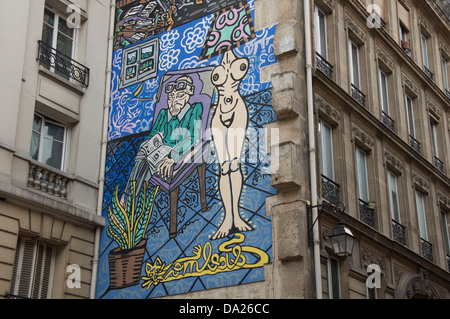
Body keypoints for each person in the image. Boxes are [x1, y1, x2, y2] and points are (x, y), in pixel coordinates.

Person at [121, 75, 203, 204]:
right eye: (171, 97)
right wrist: (147, 145)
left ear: (189, 94)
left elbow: (194, 136)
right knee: (141, 158)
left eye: (180, 96)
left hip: (174, 151)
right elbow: (153, 133)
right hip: (158, 150)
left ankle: (131, 201)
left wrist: (173, 157)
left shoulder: (195, 109)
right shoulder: (164, 113)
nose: (174, 101)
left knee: (147, 166)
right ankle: (128, 198)